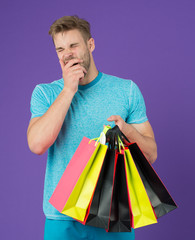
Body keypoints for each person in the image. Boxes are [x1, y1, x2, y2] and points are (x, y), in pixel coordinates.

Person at [27, 15, 157, 240]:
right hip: (63, 218)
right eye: (60, 49)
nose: (67, 53)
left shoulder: (126, 90)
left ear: (90, 44)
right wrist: (68, 90)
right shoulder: (45, 93)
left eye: (73, 45)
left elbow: (150, 154)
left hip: (114, 214)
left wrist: (127, 130)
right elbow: (37, 144)